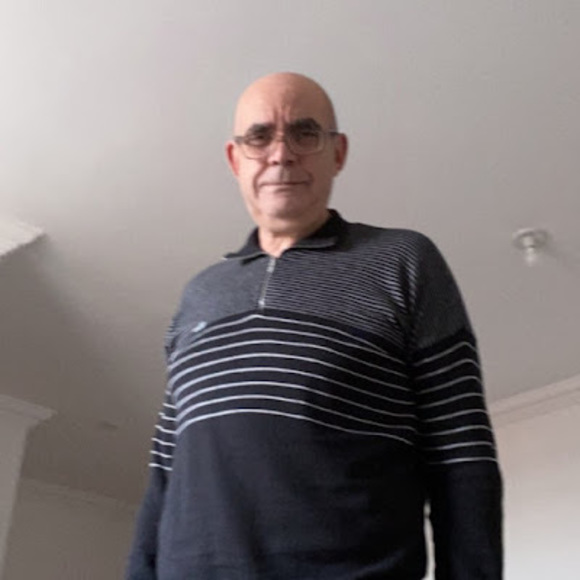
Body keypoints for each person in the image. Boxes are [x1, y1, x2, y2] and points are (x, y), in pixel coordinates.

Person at [126, 72, 503, 579]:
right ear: (236, 159)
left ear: (338, 153)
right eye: (259, 136)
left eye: (304, 133)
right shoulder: (199, 295)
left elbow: (462, 453)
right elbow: (165, 470)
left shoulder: (403, 260)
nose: (281, 154)